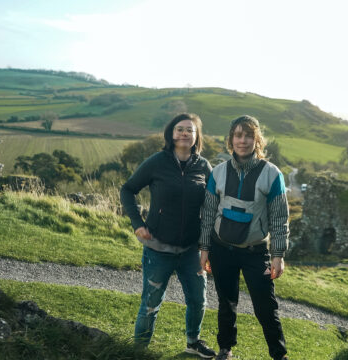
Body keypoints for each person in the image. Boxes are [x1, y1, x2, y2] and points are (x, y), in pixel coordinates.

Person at [120, 113, 217, 358]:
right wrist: (137, 223)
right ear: (171, 134)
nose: (185, 133)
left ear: (197, 137)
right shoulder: (156, 162)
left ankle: (193, 343)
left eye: (190, 130)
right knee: (150, 305)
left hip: (191, 251)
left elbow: (215, 204)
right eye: (180, 129)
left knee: (198, 300)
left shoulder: (204, 166)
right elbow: (128, 189)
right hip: (157, 249)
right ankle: (139, 350)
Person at [199, 115, 290, 360]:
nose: (243, 140)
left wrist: (278, 255)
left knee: (265, 307)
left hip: (255, 251)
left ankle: (279, 355)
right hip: (221, 249)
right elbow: (208, 213)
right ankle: (225, 349)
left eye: (248, 135)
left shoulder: (272, 174)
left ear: (257, 139)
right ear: (231, 139)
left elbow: (279, 218)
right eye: (238, 135)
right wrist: (205, 248)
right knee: (226, 303)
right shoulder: (218, 172)